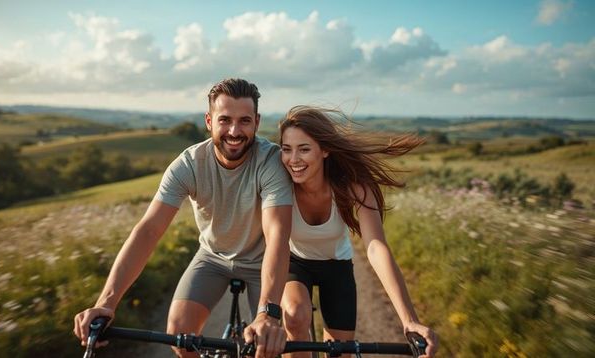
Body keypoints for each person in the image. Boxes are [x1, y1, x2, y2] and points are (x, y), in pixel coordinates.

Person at [73, 78, 293, 358]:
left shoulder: (271, 161)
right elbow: (149, 230)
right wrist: (107, 302)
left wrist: (267, 314)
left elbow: (277, 236)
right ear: (209, 121)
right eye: (225, 120)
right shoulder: (188, 164)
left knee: (271, 346)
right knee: (179, 336)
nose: (235, 131)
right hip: (212, 257)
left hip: (261, 260)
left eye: (244, 121)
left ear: (257, 122)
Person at [278, 106, 438, 358]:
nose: (293, 159)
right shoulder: (280, 183)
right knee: (296, 317)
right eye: (286, 149)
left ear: (325, 150)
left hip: (337, 265)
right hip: (295, 262)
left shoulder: (353, 186)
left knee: (340, 352)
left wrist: (409, 319)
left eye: (304, 149)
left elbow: (375, 247)